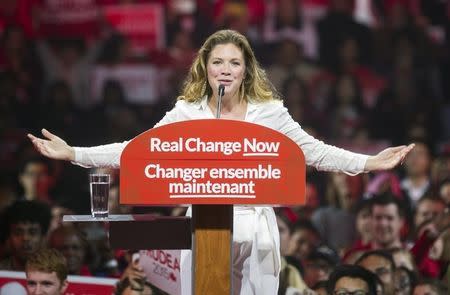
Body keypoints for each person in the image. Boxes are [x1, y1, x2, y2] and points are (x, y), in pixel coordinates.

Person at [28, 29, 414, 295]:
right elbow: (136, 150)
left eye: (233, 62)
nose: (225, 70)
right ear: (205, 68)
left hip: (256, 228)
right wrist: (74, 153)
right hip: (201, 225)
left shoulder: (270, 112)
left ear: (246, 69)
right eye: (217, 62)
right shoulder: (187, 111)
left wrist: (369, 163)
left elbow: (314, 151)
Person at [0, 200, 52, 271]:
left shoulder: (57, 273)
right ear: (8, 238)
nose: (25, 238)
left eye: (32, 232)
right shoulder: (2, 271)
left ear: (43, 237)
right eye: (18, 233)